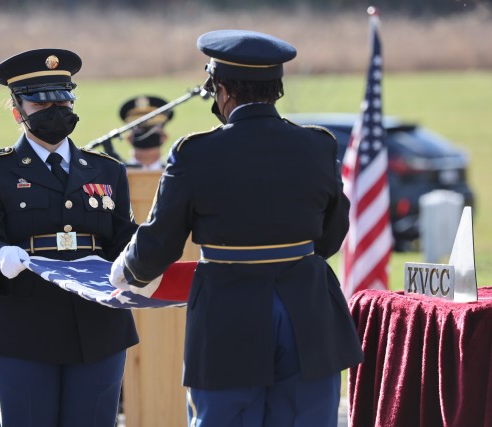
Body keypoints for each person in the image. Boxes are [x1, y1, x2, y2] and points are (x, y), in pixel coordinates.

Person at [110, 30, 364, 426]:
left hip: (230, 311)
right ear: (277, 88)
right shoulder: (318, 145)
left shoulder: (195, 153)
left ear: (222, 90)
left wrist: (129, 270)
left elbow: (161, 242)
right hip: (307, 310)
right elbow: (331, 234)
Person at [0, 48, 139, 427]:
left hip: (97, 328)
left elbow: (125, 240)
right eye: (41, 103)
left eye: (63, 99)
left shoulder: (107, 170)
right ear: (17, 112)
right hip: (22, 326)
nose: (56, 110)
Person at [119, 95, 173, 170]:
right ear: (128, 138)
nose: (146, 132)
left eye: (152, 128)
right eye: (139, 128)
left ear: (164, 137)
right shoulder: (117, 176)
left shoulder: (175, 176)